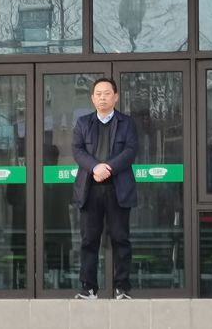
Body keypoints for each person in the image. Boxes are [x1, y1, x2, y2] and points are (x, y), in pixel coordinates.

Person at [72, 78, 138, 300]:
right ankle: (88, 288)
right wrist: (95, 167)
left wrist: (108, 168)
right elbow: (77, 151)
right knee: (89, 240)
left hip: (118, 189)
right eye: (98, 94)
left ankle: (122, 288)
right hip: (90, 189)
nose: (102, 97)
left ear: (116, 97)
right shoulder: (83, 123)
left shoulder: (127, 123)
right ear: (92, 98)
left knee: (121, 238)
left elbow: (130, 151)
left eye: (107, 93)